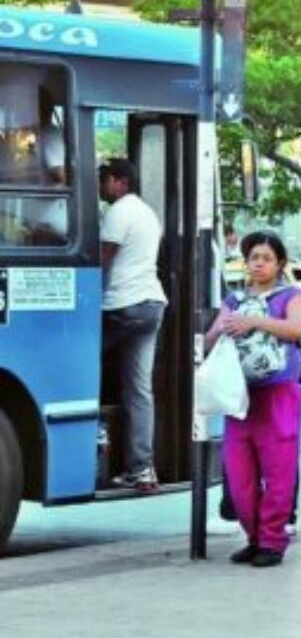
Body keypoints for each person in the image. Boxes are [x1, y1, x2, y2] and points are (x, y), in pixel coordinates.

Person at [205, 232, 301, 568]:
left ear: (279, 264)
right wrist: (220, 328)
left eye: (266, 258)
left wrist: (255, 322)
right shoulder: (233, 301)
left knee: (278, 471)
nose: (259, 264)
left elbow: (296, 330)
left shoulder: (291, 296)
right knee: (239, 476)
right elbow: (208, 341)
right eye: (254, 258)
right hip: (240, 395)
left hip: (278, 393)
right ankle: (253, 536)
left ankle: (273, 540)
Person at [99, 158, 167, 491]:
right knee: (140, 390)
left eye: (105, 180)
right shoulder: (147, 213)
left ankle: (96, 433)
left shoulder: (118, 211)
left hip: (123, 305)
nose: (101, 187)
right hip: (152, 304)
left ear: (121, 182)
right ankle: (142, 469)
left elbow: (103, 258)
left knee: (78, 364)